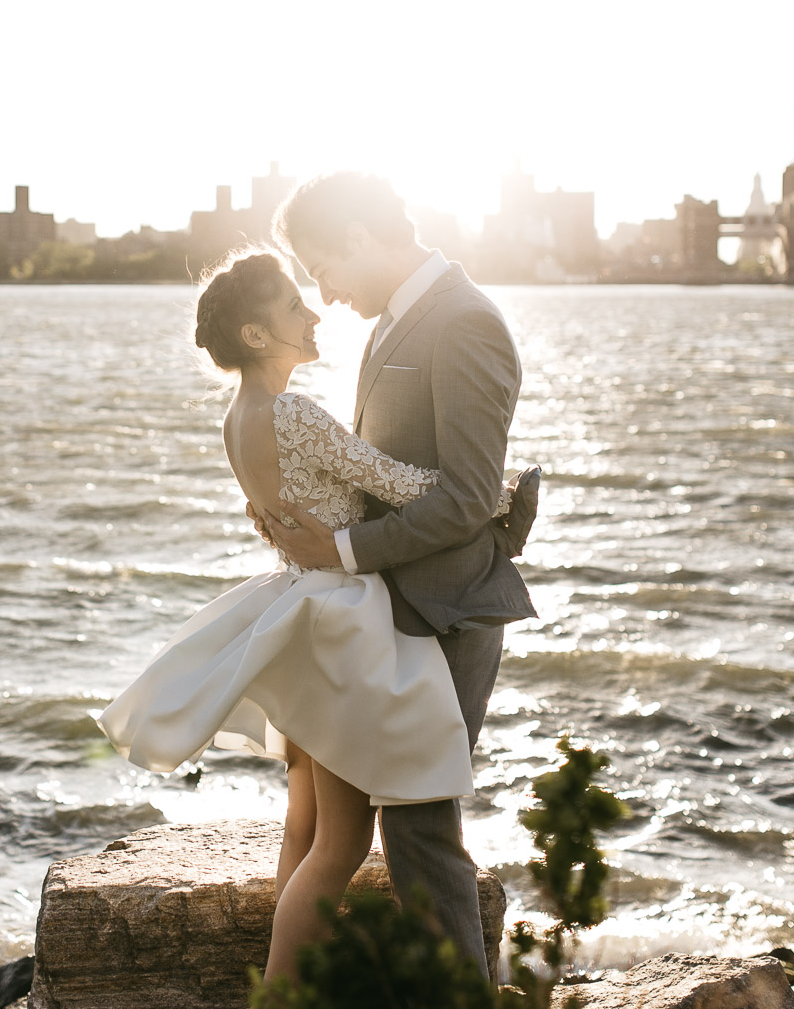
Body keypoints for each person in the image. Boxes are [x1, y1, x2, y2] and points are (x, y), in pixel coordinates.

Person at [97, 247, 533, 984]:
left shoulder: (240, 417)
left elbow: (283, 503)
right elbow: (394, 481)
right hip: (339, 622)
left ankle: (287, 990)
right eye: (295, 307)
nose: (314, 312)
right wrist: (498, 492)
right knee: (340, 842)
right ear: (258, 336)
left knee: (303, 824)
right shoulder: (294, 413)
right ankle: (280, 993)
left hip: (295, 607)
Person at [258, 171, 535, 978]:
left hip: (448, 609)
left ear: (358, 235)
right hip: (400, 603)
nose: (323, 290)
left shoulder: (465, 322)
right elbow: (380, 469)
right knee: (387, 816)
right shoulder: (397, 320)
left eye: (322, 266)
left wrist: (339, 554)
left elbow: (467, 496)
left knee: (417, 825)